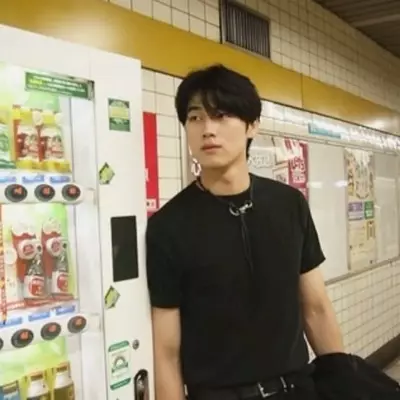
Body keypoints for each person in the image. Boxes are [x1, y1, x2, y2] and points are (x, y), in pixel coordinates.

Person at [145, 64, 345, 400]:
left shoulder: (289, 204)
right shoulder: (168, 226)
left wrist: (343, 381)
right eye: (195, 118)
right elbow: (166, 351)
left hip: (297, 390)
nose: (208, 130)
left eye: (221, 115)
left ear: (252, 125)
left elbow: (316, 307)